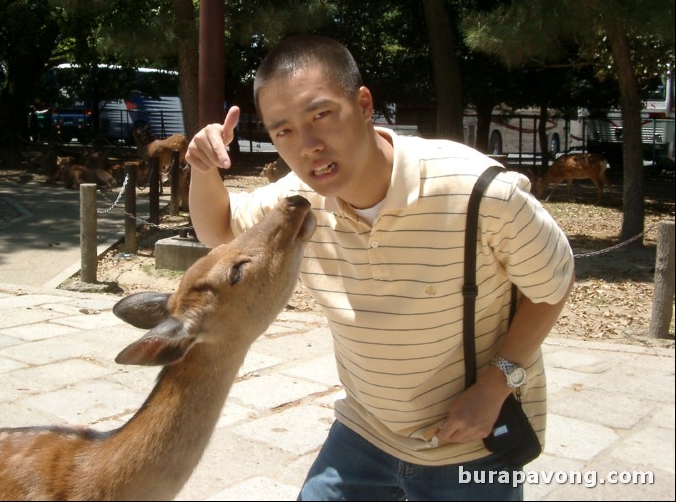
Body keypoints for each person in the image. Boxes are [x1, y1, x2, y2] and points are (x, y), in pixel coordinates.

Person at [185, 34, 574, 501]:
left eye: (320, 115)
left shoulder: (482, 193)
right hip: (364, 432)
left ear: (364, 103)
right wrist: (203, 168)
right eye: (282, 130)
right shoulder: (298, 205)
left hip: (469, 444)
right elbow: (219, 228)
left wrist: (496, 387)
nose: (307, 145)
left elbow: (554, 281)